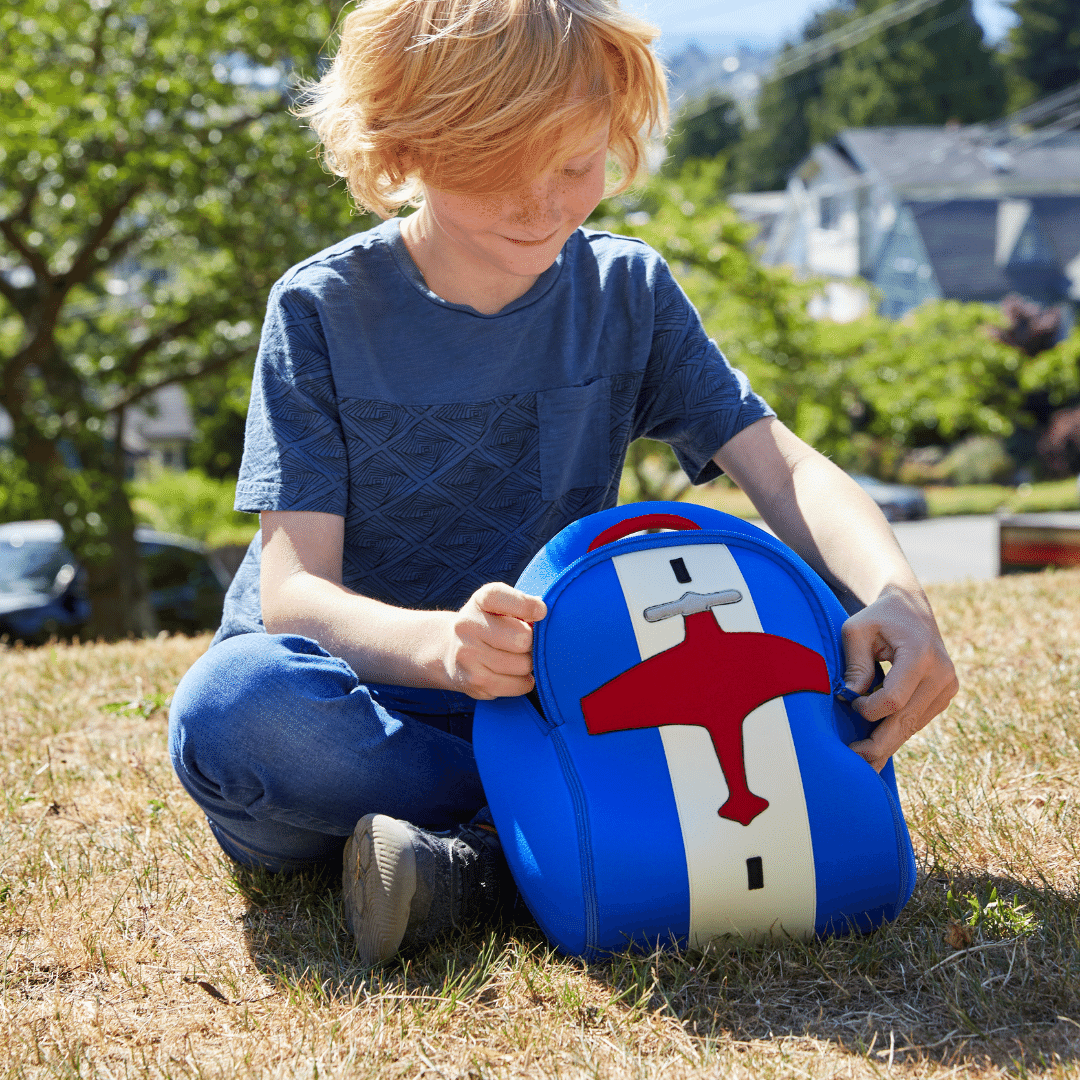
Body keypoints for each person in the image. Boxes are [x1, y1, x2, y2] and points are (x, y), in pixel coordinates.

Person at [168, 0, 958, 967]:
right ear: (403, 147)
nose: (544, 205)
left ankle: (480, 865)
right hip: (366, 712)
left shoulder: (629, 291)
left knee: (804, 658)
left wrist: (897, 597)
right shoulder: (321, 307)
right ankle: (566, 829)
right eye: (496, 173)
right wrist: (443, 650)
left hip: (556, 704)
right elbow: (293, 596)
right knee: (232, 708)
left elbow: (782, 466)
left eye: (578, 165)